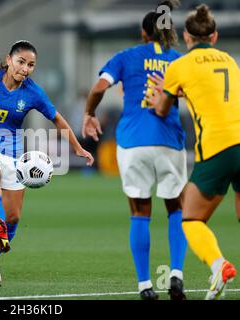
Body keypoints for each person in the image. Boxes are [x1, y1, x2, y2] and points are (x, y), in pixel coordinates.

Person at [0, 40, 94, 284]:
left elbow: (58, 119)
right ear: (10, 60)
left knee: (13, 216)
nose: (25, 68)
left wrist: (77, 148)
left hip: (12, 154)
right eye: (21, 62)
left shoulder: (33, 92)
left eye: (31, 65)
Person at [81, 0, 188, 300]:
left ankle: (145, 286)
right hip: (169, 140)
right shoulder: (178, 61)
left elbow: (100, 87)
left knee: (140, 211)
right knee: (176, 207)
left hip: (132, 142)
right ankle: (176, 274)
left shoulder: (125, 57)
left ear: (144, 33)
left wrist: (89, 114)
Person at [146, 4, 239, 300]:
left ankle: (218, 266)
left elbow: (161, 109)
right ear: (214, 37)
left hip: (218, 147)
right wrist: (185, 91)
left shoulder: (180, 66)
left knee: (191, 219)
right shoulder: (230, 61)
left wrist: (164, 94)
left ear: (187, 37)